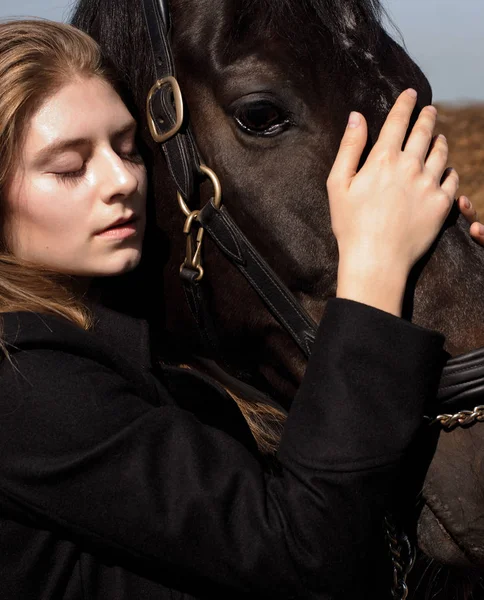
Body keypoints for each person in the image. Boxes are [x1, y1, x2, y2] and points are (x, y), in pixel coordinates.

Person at [0, 19, 468, 600]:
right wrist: (372, 271)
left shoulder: (147, 347)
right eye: (69, 167)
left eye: (127, 148)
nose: (122, 180)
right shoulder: (20, 379)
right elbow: (300, 553)